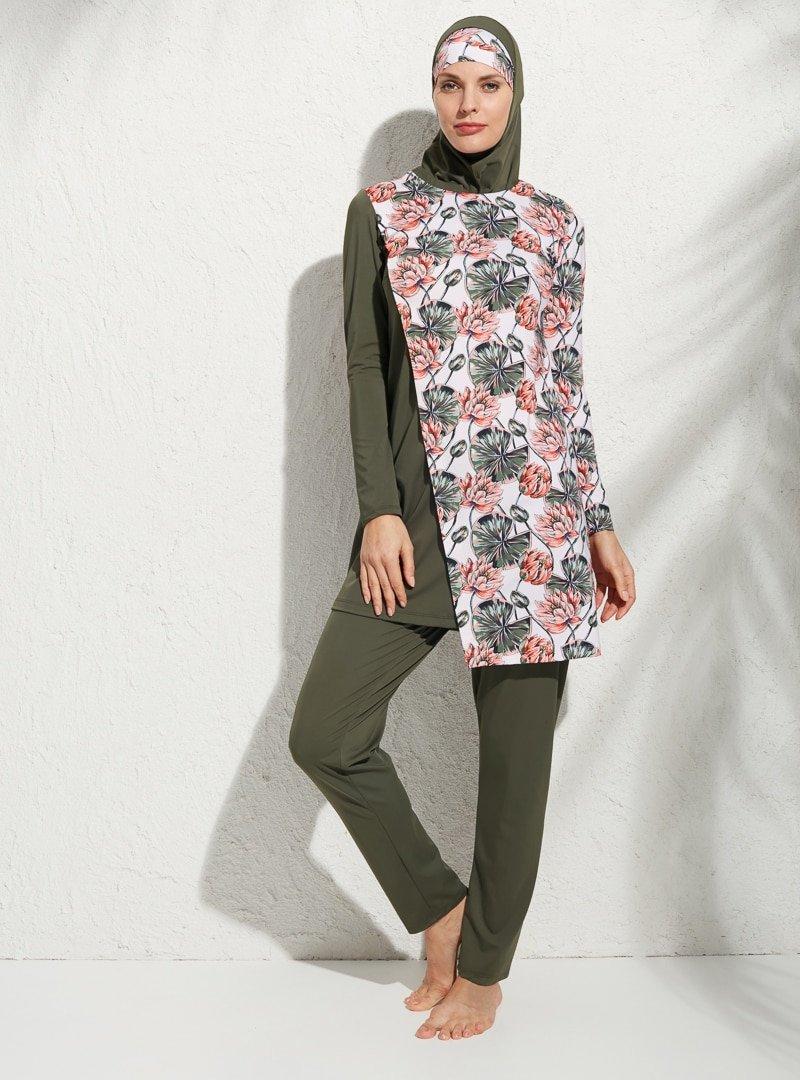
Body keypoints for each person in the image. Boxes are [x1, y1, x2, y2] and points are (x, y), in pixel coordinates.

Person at [290, 14, 636, 1041]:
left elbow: (562, 381)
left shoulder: (554, 222)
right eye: (450, 85)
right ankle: (440, 912)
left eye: (487, 84)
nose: (468, 104)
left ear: (514, 94)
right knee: (326, 732)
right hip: (420, 523)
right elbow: (365, 368)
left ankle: (483, 971)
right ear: (433, 95)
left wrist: (598, 522)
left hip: (534, 524)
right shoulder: (383, 214)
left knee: (515, 770)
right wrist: (379, 509)